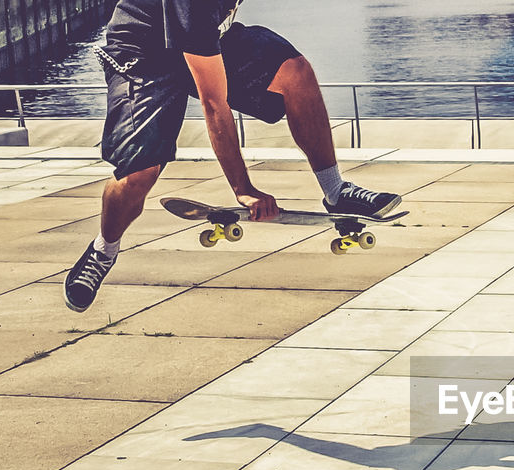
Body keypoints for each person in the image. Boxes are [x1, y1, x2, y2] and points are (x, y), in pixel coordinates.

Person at [64, 0, 401, 312]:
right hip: (142, 55)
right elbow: (214, 104)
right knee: (139, 172)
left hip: (206, 39)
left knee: (295, 72)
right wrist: (243, 187)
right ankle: (103, 250)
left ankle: (335, 190)